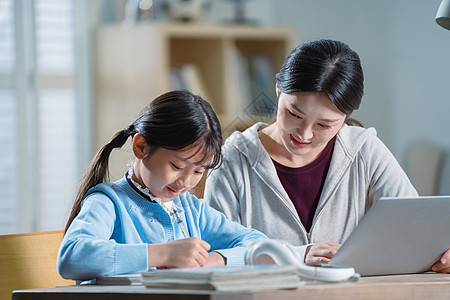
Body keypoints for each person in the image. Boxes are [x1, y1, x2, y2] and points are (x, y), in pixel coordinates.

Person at [204, 39, 450, 273]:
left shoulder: (365, 151)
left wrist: (441, 256)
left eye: (324, 125)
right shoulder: (231, 162)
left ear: (345, 117)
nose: (304, 134)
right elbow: (216, 260)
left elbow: (416, 234)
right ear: (278, 90)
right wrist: (299, 254)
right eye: (294, 114)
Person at [57, 90, 267, 282]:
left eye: (198, 171)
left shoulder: (191, 209)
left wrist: (210, 260)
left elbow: (259, 244)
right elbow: (72, 256)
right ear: (141, 147)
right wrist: (162, 254)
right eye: (176, 165)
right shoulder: (108, 202)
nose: (185, 182)